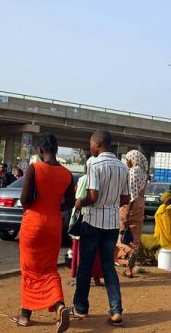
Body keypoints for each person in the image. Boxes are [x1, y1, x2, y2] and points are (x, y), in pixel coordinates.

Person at [12, 133, 74, 332]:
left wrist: (38, 203)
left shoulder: (34, 169)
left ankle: (25, 315)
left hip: (34, 223)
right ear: (56, 149)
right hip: (54, 225)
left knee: (29, 269)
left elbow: (25, 200)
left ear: (40, 149)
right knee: (49, 269)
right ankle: (59, 305)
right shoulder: (66, 174)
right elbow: (70, 202)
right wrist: (53, 205)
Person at [72, 131, 129, 327]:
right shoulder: (123, 167)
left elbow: (93, 196)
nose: (90, 147)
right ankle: (116, 310)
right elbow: (125, 198)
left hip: (93, 221)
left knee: (85, 266)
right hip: (112, 223)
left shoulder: (93, 163)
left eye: (91, 143)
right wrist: (111, 201)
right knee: (108, 266)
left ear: (97, 143)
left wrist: (80, 202)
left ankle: (80, 308)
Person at [70, 158, 103, 287]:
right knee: (96, 251)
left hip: (83, 217)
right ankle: (96, 278)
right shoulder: (100, 180)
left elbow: (78, 200)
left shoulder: (84, 179)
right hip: (97, 219)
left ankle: (80, 277)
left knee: (80, 250)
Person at [115, 150, 149, 278]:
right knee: (135, 240)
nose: (126, 162)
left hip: (129, 208)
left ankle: (127, 255)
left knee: (120, 237)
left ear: (133, 160)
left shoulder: (132, 172)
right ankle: (129, 269)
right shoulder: (144, 174)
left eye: (127, 159)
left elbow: (131, 196)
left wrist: (126, 215)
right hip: (140, 207)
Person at [138, 190, 171, 263]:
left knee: (140, 238)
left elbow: (157, 215)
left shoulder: (164, 211)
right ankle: (150, 258)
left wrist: (165, 203)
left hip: (165, 240)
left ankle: (146, 258)